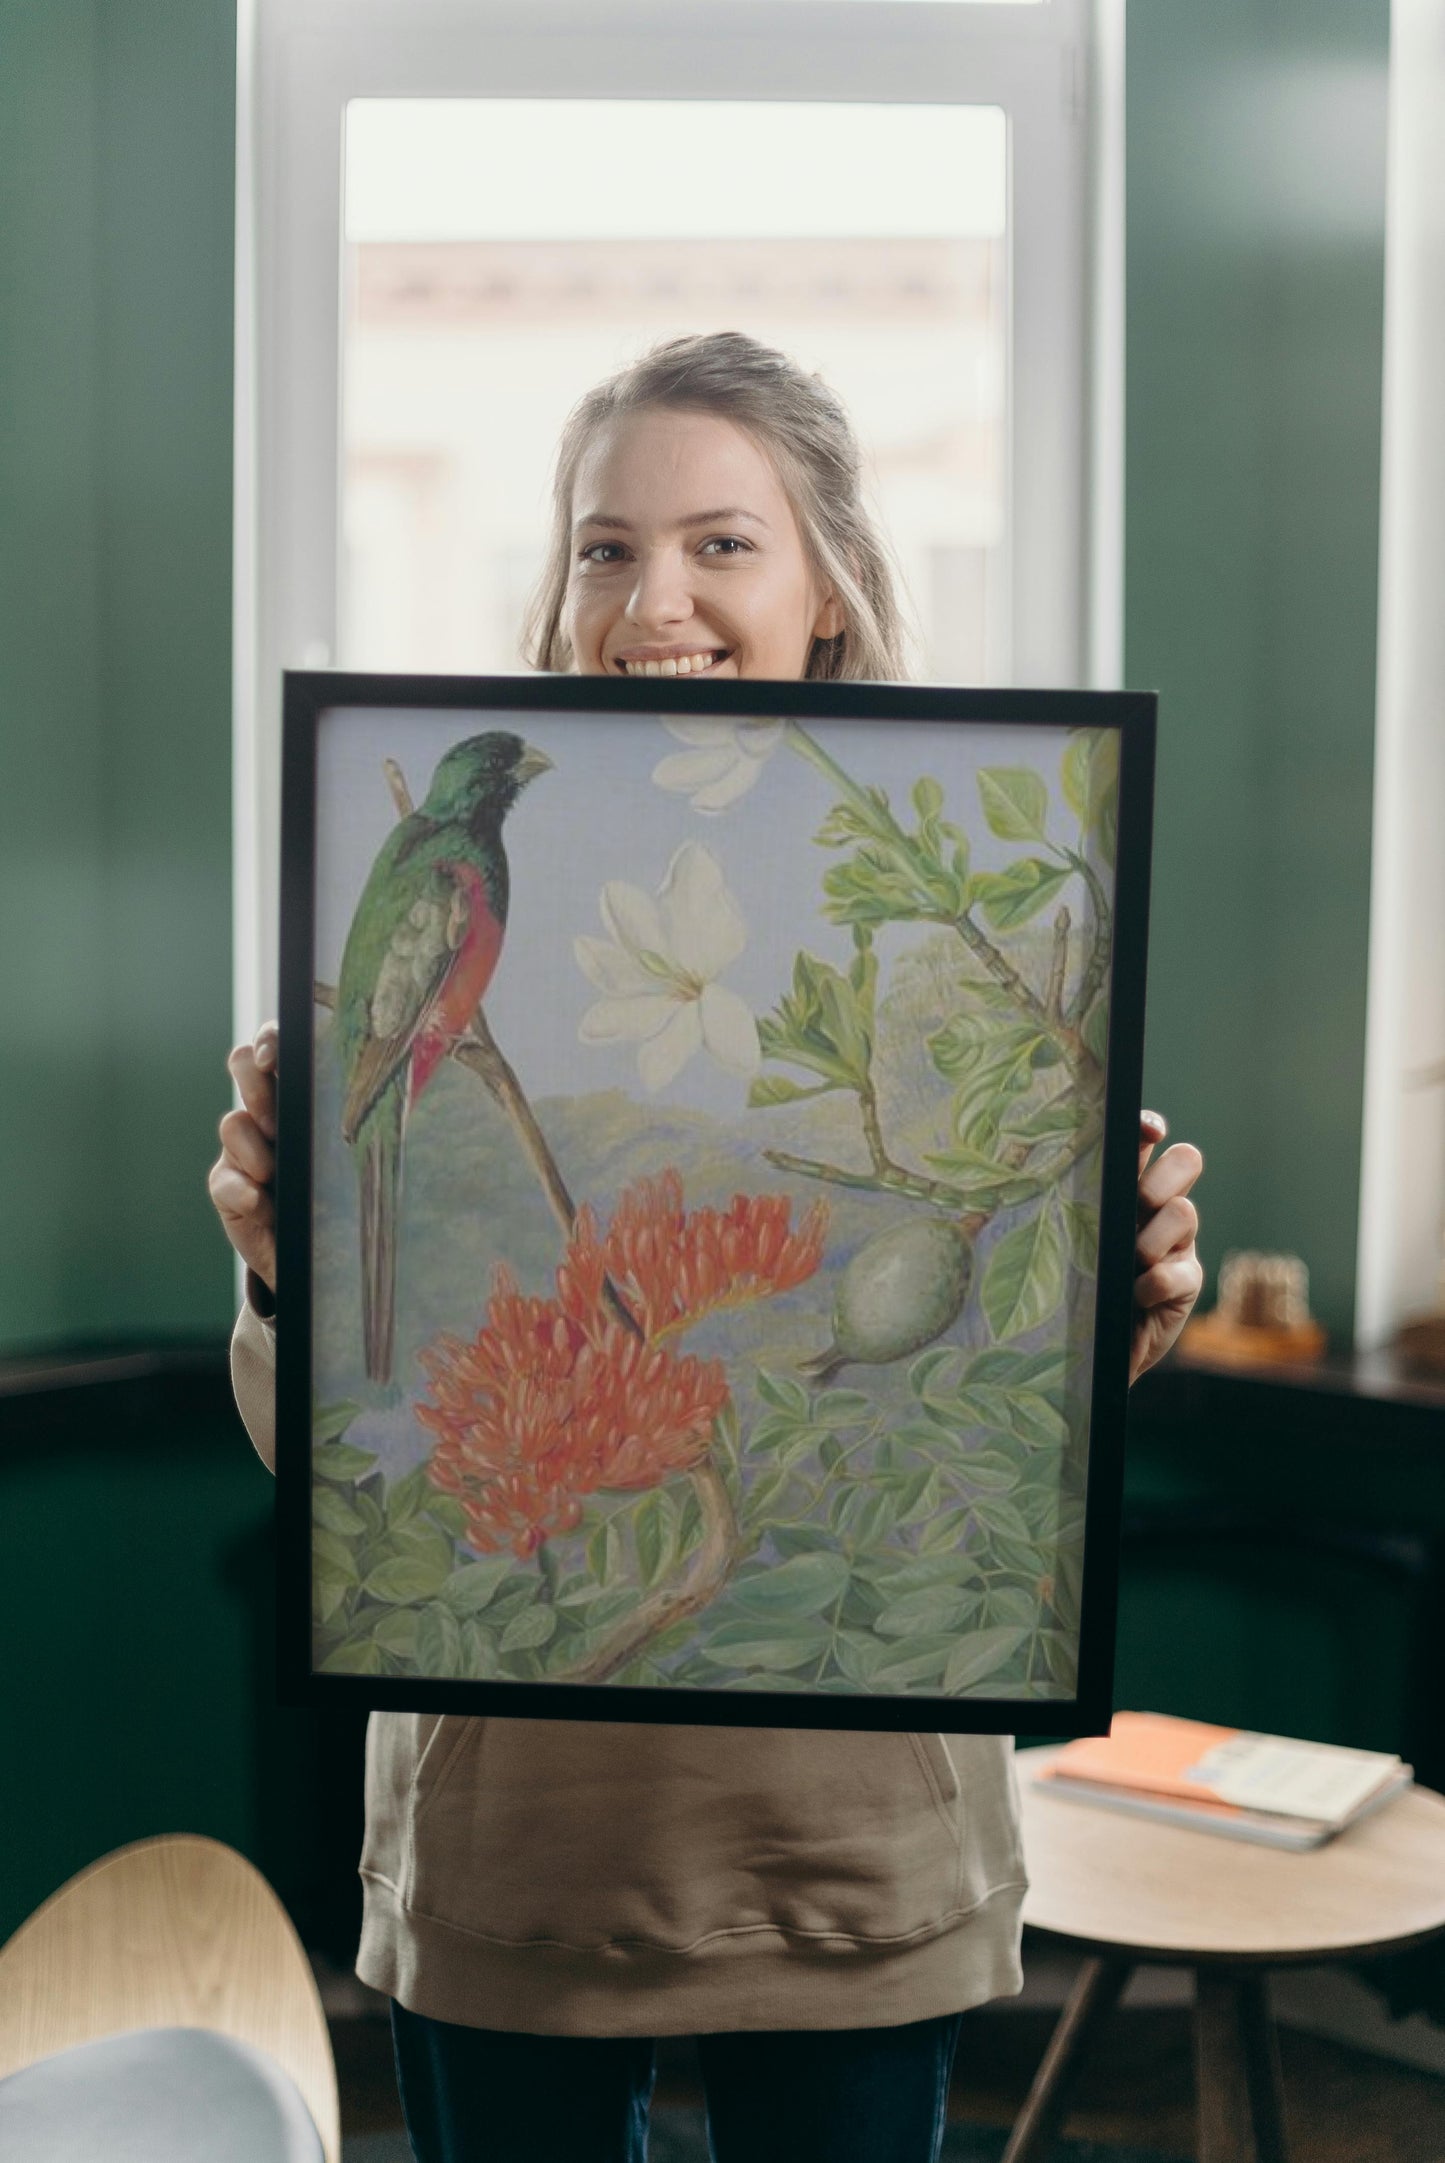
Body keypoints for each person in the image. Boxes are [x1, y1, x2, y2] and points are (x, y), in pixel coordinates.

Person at [210, 332, 1204, 2163]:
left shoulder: (969, 896)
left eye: (719, 543)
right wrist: (284, 1273)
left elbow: (984, 1419)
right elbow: (335, 1467)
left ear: (827, 585)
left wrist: (1113, 1303)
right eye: (604, 546)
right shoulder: (423, 881)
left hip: (850, 1849)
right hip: (516, 1848)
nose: (650, 596)